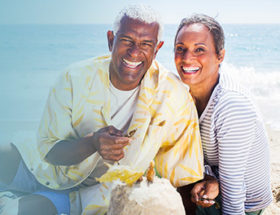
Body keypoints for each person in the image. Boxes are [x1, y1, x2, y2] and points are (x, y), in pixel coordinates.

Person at [0, 5, 204, 215]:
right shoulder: (74, 78)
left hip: (89, 195)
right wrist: (92, 143)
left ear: (157, 48)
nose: (135, 52)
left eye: (145, 44)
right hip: (42, 166)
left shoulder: (174, 95)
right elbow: (49, 151)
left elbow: (182, 176)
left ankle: (11, 199)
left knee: (14, 211)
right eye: (126, 41)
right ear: (110, 40)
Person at [174, 14, 272, 215]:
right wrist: (210, 177)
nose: (186, 58)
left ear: (220, 56)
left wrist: (213, 180)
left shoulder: (231, 105)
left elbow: (234, 193)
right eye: (180, 48)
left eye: (199, 49)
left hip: (244, 204)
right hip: (214, 183)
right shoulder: (184, 94)